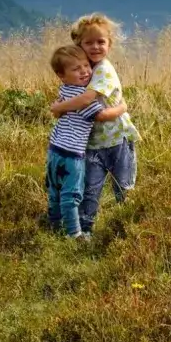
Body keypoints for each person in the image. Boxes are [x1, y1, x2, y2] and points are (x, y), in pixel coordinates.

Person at [50, 13, 140, 235]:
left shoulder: (103, 70)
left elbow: (89, 102)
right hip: (91, 143)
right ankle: (86, 229)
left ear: (110, 44)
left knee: (124, 186)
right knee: (90, 189)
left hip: (116, 139)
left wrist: (60, 108)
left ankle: (125, 226)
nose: (95, 47)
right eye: (88, 42)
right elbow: (71, 94)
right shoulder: (83, 68)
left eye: (101, 42)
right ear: (78, 44)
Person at [45, 45, 125, 238]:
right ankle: (74, 234)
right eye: (76, 69)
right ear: (61, 75)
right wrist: (122, 107)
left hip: (54, 148)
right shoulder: (82, 98)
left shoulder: (65, 90)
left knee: (55, 190)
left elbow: (60, 109)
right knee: (71, 194)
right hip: (72, 153)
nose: (85, 71)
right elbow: (102, 115)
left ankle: (54, 225)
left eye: (86, 65)